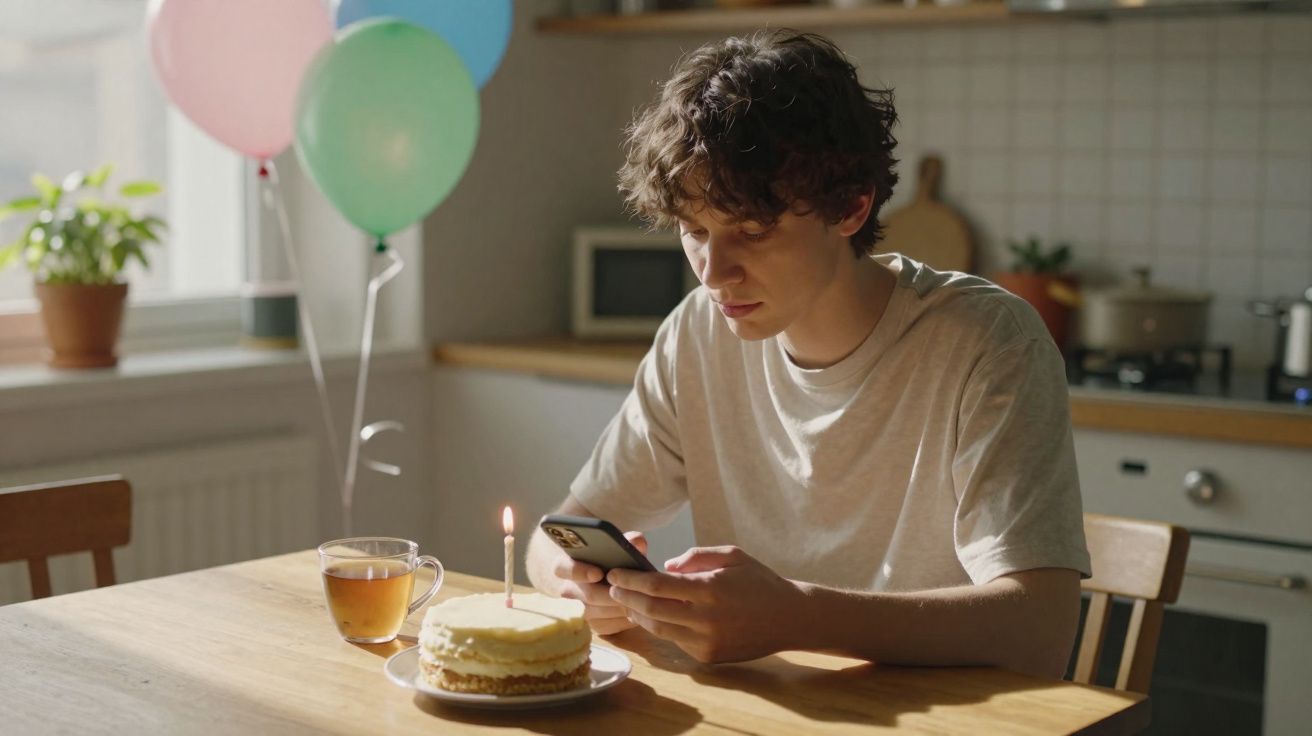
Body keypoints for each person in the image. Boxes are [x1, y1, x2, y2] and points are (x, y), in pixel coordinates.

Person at [526, 30, 1091, 680]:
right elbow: (558, 534)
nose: (713, 273)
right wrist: (573, 582)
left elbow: (1039, 628)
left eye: (752, 232)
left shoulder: (988, 341)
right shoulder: (696, 336)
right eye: (694, 231)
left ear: (851, 206)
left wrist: (795, 615)